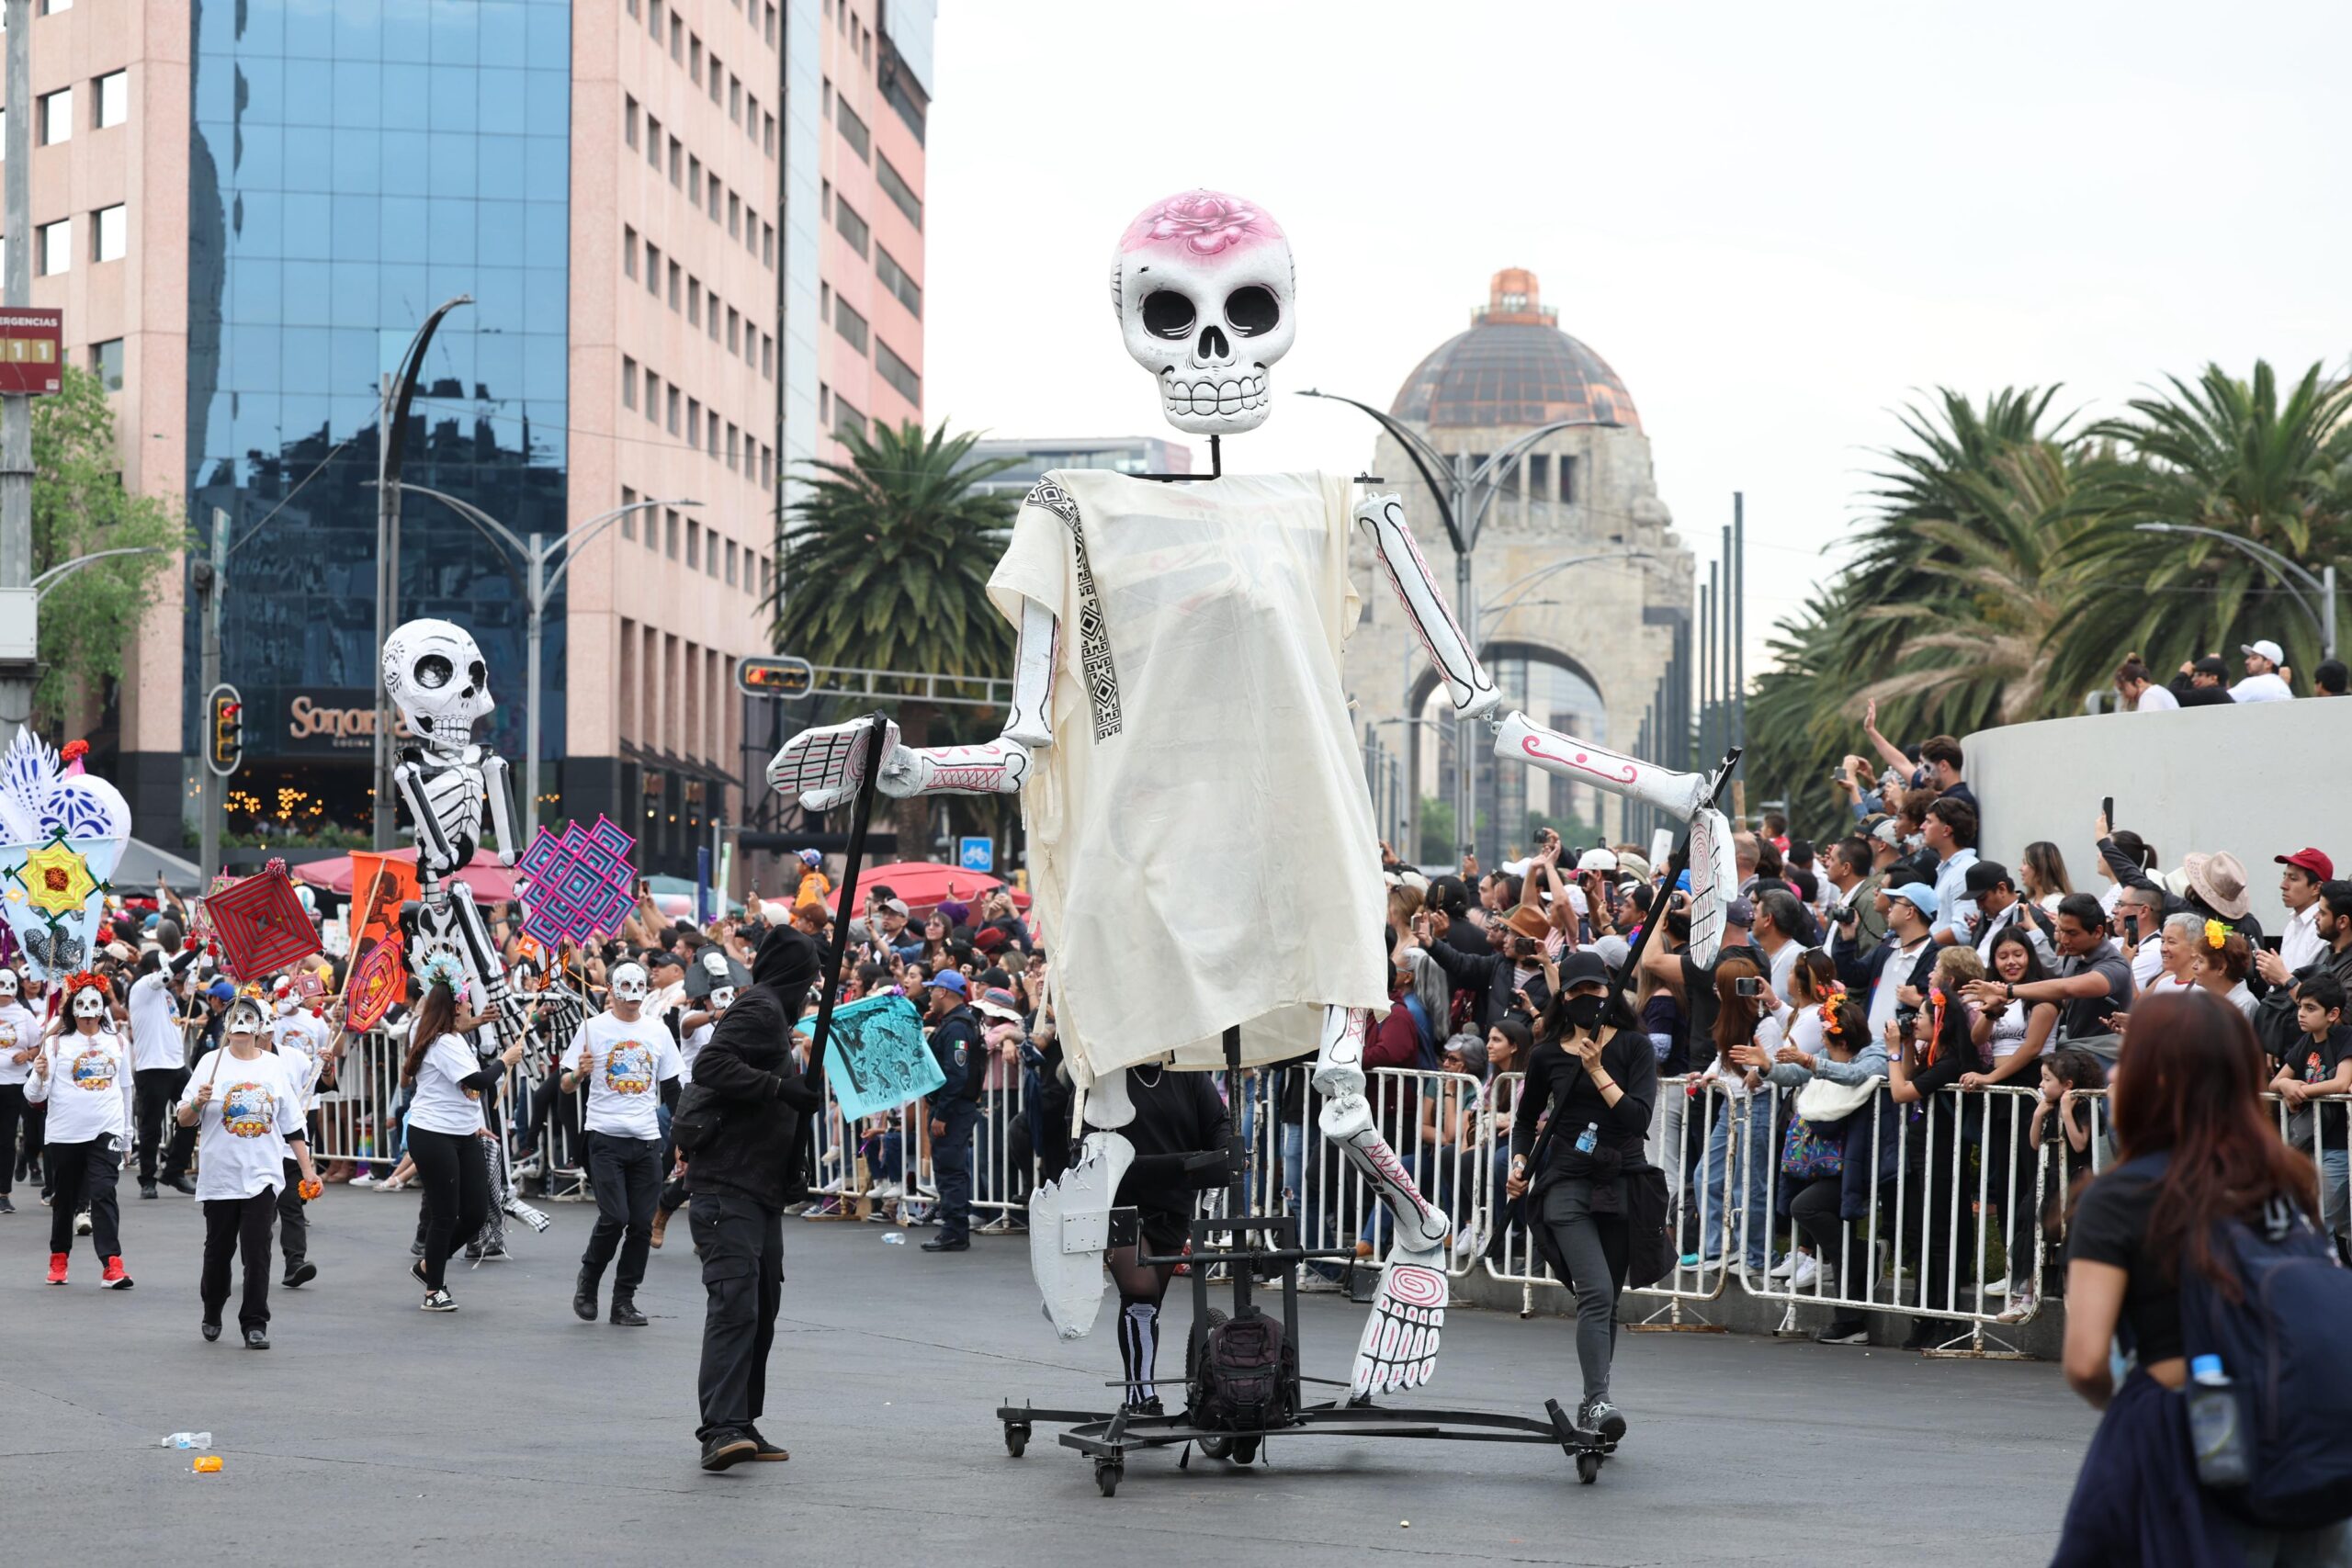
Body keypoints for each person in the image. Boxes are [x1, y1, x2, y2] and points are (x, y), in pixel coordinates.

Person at [2053, 990, 2349, 1566]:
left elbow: (2087, 1362)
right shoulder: (2286, 1180)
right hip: (2301, 1438)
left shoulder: (2122, 1195)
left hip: (2188, 1426)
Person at [683, 925, 821, 1472]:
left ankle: (741, 1421)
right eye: (809, 979)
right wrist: (778, 1087)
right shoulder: (760, 1008)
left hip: (758, 1190)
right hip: (728, 1187)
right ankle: (719, 1428)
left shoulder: (772, 1016)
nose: (810, 990)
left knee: (760, 1308)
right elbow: (709, 1064)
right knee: (735, 1304)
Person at [1506, 952, 1658, 1443]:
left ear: (1609, 991)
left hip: (1621, 1182)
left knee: (1607, 1301)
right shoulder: (1547, 1053)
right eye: (1575, 992)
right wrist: (1520, 1163)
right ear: (1562, 998)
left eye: (1595, 990)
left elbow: (1638, 1118)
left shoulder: (1636, 1047)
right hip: (1567, 1181)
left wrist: (1596, 1070)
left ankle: (1595, 1401)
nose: (1586, 999)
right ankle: (1598, 1401)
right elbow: (1527, 1119)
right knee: (1594, 1291)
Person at [175, 996, 320, 1348]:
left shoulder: (273, 1067)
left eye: (248, 1017)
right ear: (227, 1025)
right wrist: (198, 1101)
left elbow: (292, 1126)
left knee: (258, 1252)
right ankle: (212, 1308)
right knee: (218, 1252)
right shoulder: (211, 1063)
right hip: (220, 1177)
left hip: (262, 1176)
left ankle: (255, 1322)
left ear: (259, 1026)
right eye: (235, 1016)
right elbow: (183, 1118)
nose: (241, 1022)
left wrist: (308, 1171)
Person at [1105, 1057, 1233, 1414]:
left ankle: (1139, 1387)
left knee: (1149, 1304)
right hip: (1117, 1203)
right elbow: (1085, 1142)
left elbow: (1218, 1124)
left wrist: (1227, 1152)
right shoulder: (1107, 1073)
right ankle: (1140, 1395)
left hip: (1172, 1204)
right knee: (1140, 1293)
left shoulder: (1188, 1072)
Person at [562, 961, 685, 1327]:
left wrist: (682, 1139)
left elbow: (673, 1087)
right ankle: (588, 1282)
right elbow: (564, 1084)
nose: (632, 995)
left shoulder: (657, 1030)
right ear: (612, 990)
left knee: (642, 1225)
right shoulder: (593, 1029)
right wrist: (578, 1074)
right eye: (625, 986)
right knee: (614, 1217)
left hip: (646, 1140)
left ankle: (624, 1300)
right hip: (605, 1137)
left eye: (638, 986)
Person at [401, 963, 525, 1312]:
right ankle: (433, 1290)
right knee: (445, 1213)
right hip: (432, 1133)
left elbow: (462, 1093)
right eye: (467, 1001)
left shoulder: (452, 1038)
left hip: (461, 1132)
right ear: (455, 1006)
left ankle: (429, 1265)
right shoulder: (442, 1042)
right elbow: (477, 1082)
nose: (471, 1006)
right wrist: (505, 1059)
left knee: (475, 1212)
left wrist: (474, 1123)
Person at [28, 972, 136, 1288]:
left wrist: (128, 1135)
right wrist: (38, 1074)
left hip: (107, 1128)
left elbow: (127, 1088)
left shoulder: (117, 1042)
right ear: (72, 1009)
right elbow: (34, 1096)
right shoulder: (56, 1044)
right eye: (82, 1004)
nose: (89, 1011)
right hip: (65, 1133)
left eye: (94, 1003)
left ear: (103, 1007)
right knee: (65, 1198)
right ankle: (59, 1257)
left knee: (104, 1191)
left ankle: (112, 1264)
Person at [2270, 972, 2350, 1244]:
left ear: (2333, 1013)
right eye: (2300, 1007)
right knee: (2316, 1217)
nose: (2301, 1014)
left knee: (2325, 1218)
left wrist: (2299, 1090)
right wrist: (2286, 1087)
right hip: (2311, 1144)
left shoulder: (2344, 1037)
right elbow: (2276, 1081)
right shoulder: (2306, 1041)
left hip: (2339, 1145)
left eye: (2310, 1008)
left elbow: (2341, 1083)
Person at [919, 969, 985, 1253]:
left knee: (950, 1168)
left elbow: (956, 1074)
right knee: (949, 1167)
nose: (930, 994)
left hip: (954, 1108)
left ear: (943, 992)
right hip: (953, 1106)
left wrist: (942, 1114)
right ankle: (954, 1227)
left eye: (933, 989)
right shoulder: (952, 1023)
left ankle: (955, 1230)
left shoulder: (957, 1027)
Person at [127, 949, 198, 1200]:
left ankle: (174, 1170)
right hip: (152, 1068)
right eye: (166, 967)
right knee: (151, 1127)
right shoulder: (142, 987)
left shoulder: (165, 995)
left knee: (194, 1113)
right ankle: (147, 1179)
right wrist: (197, 946)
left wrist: (184, 995)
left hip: (176, 1066)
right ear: (154, 969)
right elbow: (171, 971)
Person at [1966, 860, 2056, 971]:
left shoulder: (2033, 920)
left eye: (1982, 899)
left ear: (2002, 889)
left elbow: (2044, 969)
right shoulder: (1986, 917)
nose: (1979, 906)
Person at [0, 966, 40, 1215]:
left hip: (14, 1085)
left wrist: (27, 1054)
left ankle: (3, 1193)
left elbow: (37, 1046)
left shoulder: (24, 1015)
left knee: (6, 1140)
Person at [2273, 847, 2333, 975]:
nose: (2283, 885)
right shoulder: (2293, 924)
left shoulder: (2321, 929)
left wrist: (2279, 978)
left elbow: (2308, 987)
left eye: (2293, 879)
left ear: (2316, 887)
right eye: (2284, 876)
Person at [2231, 637, 2294, 703]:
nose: (2247, 661)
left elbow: (2223, 699)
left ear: (2268, 663)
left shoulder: (2255, 683)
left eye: (2254, 658)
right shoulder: (2285, 688)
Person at [2113, 654, 2178, 712]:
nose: (2124, 694)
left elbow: (2149, 724)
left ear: (2138, 682)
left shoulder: (2148, 696)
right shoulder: (2161, 691)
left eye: (2123, 689)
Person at [2018, 840, 2073, 910]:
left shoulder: (2056, 902)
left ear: (2040, 868)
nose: (2020, 868)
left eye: (2025, 863)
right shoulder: (2029, 900)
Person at [2169, 653, 2235, 708]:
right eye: (2194, 675)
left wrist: (2183, 673)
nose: (2193, 679)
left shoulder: (2213, 693)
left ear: (2213, 678)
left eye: (2199, 675)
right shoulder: (2220, 694)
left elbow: (2172, 697)